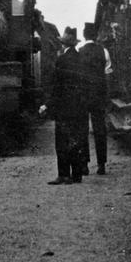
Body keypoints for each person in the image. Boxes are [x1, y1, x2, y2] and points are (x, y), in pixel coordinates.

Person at [40, 27, 87, 185]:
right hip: (79, 107)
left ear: (63, 44)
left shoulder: (61, 60)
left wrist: (47, 104)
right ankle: (77, 175)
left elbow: (57, 87)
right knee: (76, 140)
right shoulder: (81, 58)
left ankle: (64, 175)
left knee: (62, 142)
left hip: (64, 107)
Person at [77, 22, 108, 175]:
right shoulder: (104, 51)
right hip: (99, 95)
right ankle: (101, 165)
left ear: (84, 36)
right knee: (100, 129)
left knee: (82, 129)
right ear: (96, 36)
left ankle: (84, 165)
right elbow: (108, 73)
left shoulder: (79, 51)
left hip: (83, 95)